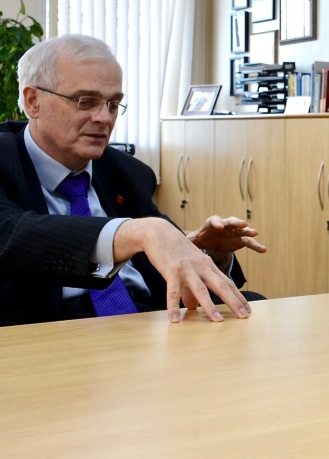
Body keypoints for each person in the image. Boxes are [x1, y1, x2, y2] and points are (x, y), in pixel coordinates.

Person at [0, 34, 267, 327]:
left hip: (142, 322)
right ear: (33, 101)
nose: (104, 118)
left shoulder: (127, 173)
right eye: (86, 102)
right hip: (48, 330)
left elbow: (172, 279)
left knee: (255, 311)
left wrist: (205, 253)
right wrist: (137, 232)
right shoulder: (5, 158)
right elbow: (13, 236)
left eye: (113, 104)